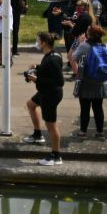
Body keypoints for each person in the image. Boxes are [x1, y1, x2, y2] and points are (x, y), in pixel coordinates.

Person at [23, 32, 65, 166]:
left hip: (51, 94)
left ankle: (56, 155)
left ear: (44, 43)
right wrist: (37, 67)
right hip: (45, 92)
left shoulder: (52, 59)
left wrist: (36, 79)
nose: (37, 42)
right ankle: (37, 134)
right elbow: (49, 70)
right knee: (31, 104)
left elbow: (59, 81)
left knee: (51, 124)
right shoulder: (52, 55)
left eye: (38, 40)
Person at [71, 24, 107, 140]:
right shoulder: (106, 46)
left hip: (86, 80)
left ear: (89, 34)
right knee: (98, 107)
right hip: (100, 81)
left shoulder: (84, 46)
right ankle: (100, 132)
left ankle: (83, 132)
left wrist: (79, 42)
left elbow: (73, 57)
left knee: (85, 108)